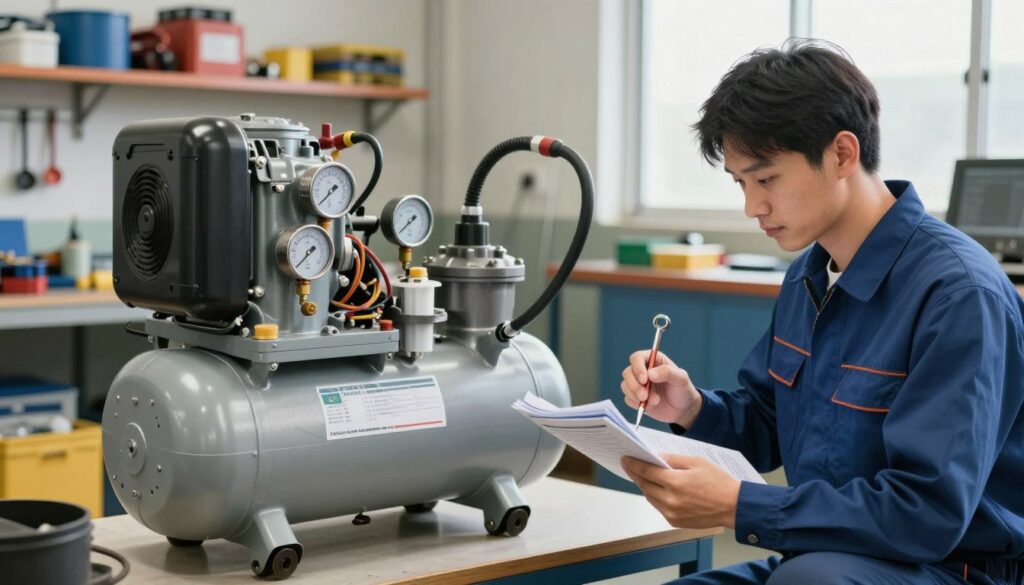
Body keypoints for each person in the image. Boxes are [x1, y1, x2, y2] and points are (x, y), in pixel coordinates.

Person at [619, 39, 1024, 585]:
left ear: (841, 154)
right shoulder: (810, 273)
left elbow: (927, 514)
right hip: (826, 556)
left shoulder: (957, 295)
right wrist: (692, 407)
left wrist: (743, 507)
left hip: (951, 568)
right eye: (741, 184)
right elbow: (770, 423)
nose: (752, 207)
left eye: (766, 179)